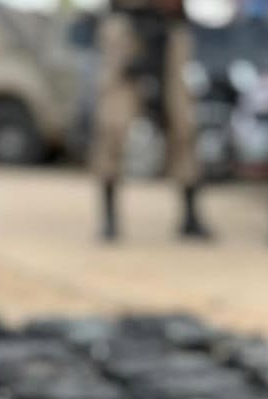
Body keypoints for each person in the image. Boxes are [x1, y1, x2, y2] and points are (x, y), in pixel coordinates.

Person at [91, 0, 213, 242]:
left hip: (170, 27)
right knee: (113, 125)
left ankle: (190, 216)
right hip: (127, 26)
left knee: (183, 126)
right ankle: (109, 218)